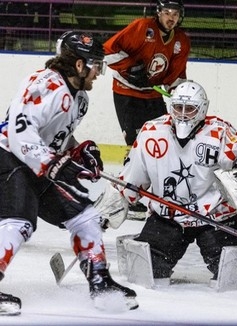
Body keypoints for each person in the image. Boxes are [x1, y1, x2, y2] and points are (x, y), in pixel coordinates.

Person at [0, 31, 138, 315]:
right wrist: (53, 164)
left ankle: (100, 281)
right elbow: (20, 133)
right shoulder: (44, 86)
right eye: (97, 64)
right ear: (79, 65)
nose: (100, 72)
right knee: (19, 221)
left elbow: (58, 138)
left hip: (38, 164)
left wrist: (79, 151)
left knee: (85, 217)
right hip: (8, 157)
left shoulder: (80, 99)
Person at [115, 81, 237, 282]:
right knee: (145, 275)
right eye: (177, 107)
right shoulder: (151, 133)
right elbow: (131, 179)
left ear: (202, 110)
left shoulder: (220, 133)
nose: (182, 114)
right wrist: (114, 204)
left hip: (215, 219)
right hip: (168, 217)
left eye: (189, 109)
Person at [103, 0, 190, 214]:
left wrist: (182, 96)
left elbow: (176, 77)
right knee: (136, 146)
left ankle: (164, 192)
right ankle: (126, 197)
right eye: (167, 12)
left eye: (175, 14)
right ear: (158, 13)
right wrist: (131, 67)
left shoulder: (181, 41)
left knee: (164, 142)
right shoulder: (142, 27)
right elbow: (107, 51)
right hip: (126, 93)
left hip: (152, 95)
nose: (171, 18)